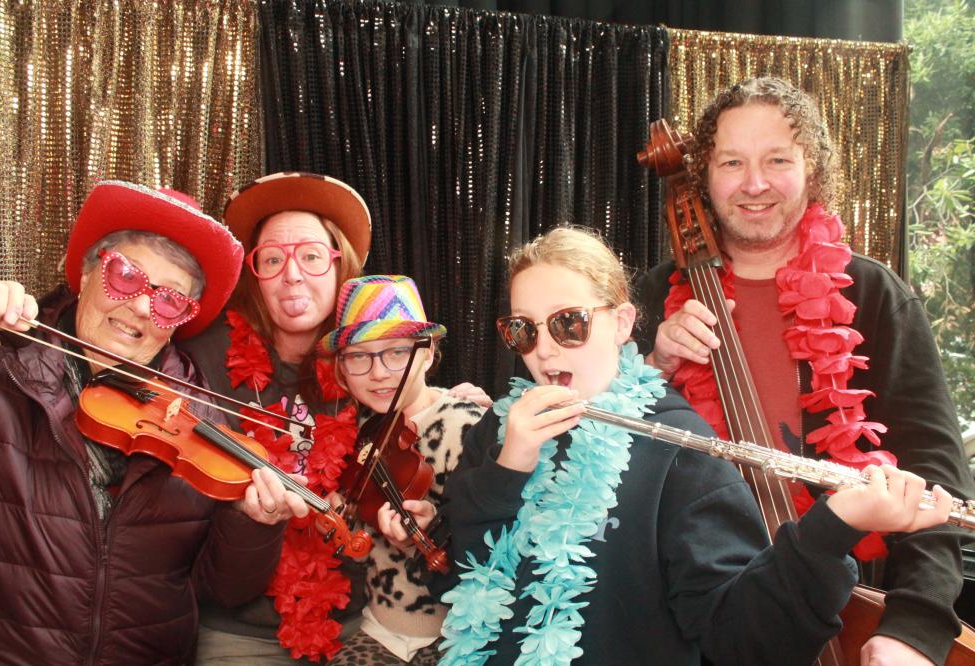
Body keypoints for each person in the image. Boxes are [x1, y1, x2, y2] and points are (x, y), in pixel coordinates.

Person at [438, 226, 954, 665]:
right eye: (523, 329)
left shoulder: (680, 448)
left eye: (568, 323)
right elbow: (457, 580)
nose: (544, 349)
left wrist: (833, 526)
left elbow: (739, 639)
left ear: (621, 323)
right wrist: (507, 469)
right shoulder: (499, 428)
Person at [635, 77, 975, 666]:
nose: (754, 184)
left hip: (847, 604)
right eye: (732, 162)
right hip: (695, 613)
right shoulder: (653, 298)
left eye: (777, 160)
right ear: (704, 175)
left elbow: (935, 479)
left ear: (811, 168)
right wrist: (651, 367)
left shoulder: (873, 295)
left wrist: (914, 627)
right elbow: (606, 474)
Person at [0, 181, 311, 664]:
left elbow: (222, 591)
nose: (139, 307)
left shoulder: (200, 417)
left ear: (181, 320)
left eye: (169, 299)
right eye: (125, 276)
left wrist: (252, 526)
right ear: (87, 273)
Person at [181, 172, 489, 663]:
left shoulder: (369, 371)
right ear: (254, 274)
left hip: (355, 622)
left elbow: (413, 391)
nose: (292, 274)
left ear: (338, 265)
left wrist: (446, 404)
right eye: (272, 259)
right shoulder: (202, 359)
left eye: (311, 256)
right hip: (239, 627)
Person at [316, 274, 485, 665]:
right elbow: (367, 553)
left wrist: (432, 533)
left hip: (454, 640)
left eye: (396, 352)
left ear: (427, 353)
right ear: (341, 368)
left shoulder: (466, 425)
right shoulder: (363, 430)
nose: (378, 372)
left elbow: (490, 547)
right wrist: (340, 525)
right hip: (380, 630)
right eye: (359, 356)